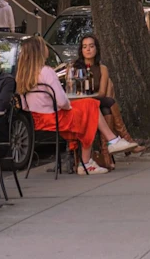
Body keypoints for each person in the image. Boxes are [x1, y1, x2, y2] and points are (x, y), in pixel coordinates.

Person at [16, 35, 136, 175]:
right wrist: (68, 106)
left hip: (36, 120)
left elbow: (24, 105)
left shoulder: (22, 76)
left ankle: (103, 148)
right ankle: (97, 153)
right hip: (54, 118)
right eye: (43, 46)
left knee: (89, 106)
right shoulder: (47, 72)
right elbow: (62, 101)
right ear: (39, 51)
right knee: (89, 109)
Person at [72, 34, 146, 163]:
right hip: (80, 104)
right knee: (109, 104)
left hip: (96, 102)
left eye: (91, 46)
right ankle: (124, 141)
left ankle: (108, 156)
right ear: (81, 50)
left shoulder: (102, 68)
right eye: (85, 47)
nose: (88, 49)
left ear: (96, 49)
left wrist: (91, 97)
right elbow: (72, 91)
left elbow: (101, 93)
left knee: (106, 108)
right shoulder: (74, 68)